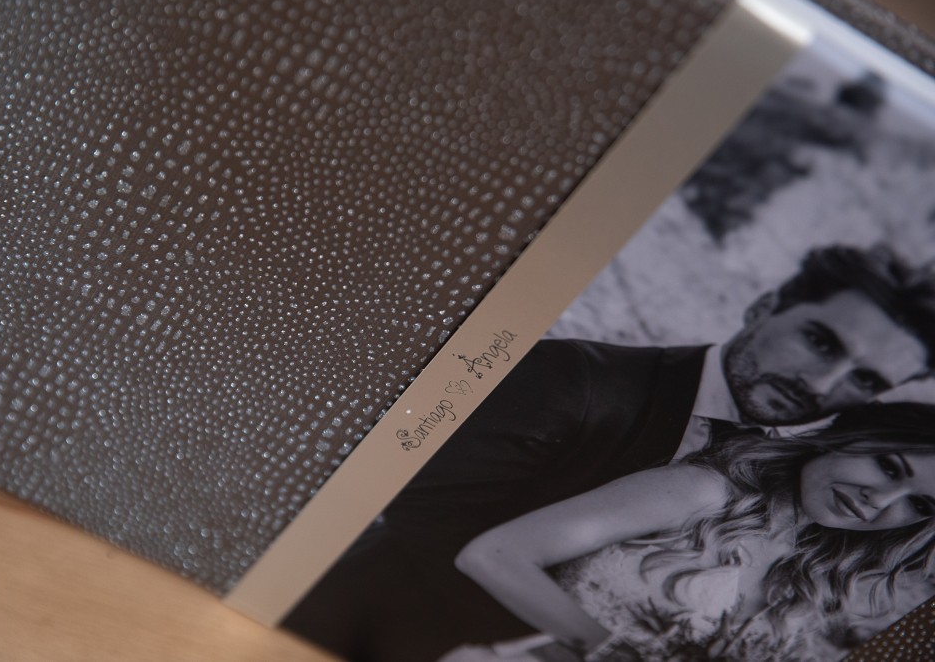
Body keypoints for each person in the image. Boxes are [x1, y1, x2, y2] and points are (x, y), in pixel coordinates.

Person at [283, 245, 935, 661]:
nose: (821, 384)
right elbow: (420, 518)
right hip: (358, 633)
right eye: (819, 341)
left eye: (864, 379)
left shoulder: (780, 487)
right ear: (765, 307)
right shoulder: (575, 379)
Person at [444, 402, 935, 662]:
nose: (880, 502)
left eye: (918, 504)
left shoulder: (816, 582)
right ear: (845, 439)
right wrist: (611, 652)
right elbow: (494, 555)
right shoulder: (703, 492)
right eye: (889, 467)